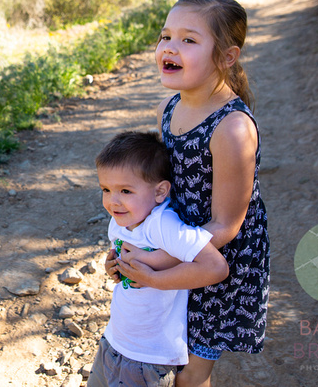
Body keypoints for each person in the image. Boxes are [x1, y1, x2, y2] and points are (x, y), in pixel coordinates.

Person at [108, 0, 270, 387]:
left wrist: (158, 259)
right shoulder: (168, 107)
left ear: (227, 57)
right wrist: (132, 246)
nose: (169, 47)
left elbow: (227, 224)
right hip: (173, 238)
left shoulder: (232, 129)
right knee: (167, 349)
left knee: (190, 371)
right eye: (166, 36)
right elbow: (154, 188)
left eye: (188, 40)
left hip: (213, 258)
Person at [89, 131, 229, 387]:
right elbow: (128, 272)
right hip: (114, 341)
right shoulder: (120, 221)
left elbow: (216, 267)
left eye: (125, 190)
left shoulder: (162, 225)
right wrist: (114, 269)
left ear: (160, 191)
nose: (113, 201)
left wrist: (153, 278)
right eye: (106, 189)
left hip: (149, 357)